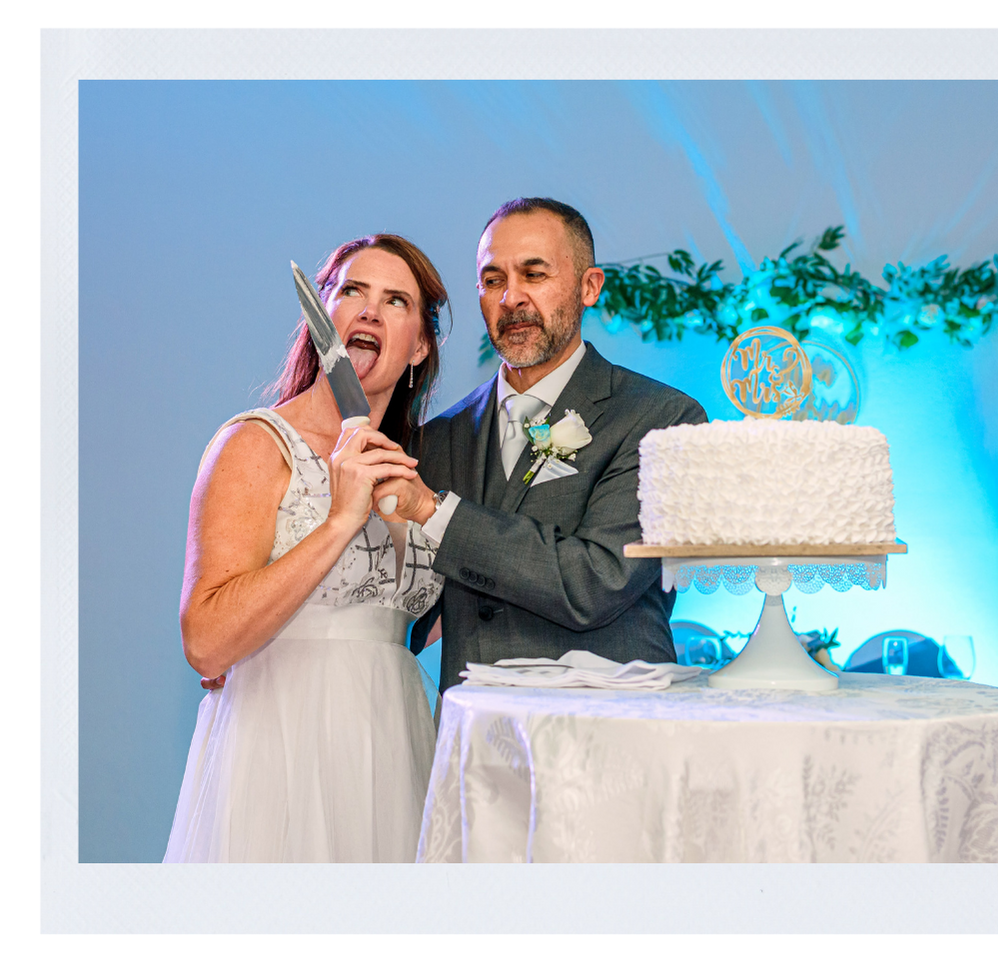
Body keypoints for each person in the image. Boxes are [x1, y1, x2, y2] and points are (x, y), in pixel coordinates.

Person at [163, 234, 447, 862]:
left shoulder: (418, 464)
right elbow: (206, 641)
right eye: (352, 291)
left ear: (420, 345)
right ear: (321, 317)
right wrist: (339, 521)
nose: (369, 310)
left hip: (393, 740)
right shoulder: (256, 444)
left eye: (396, 300)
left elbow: (414, 615)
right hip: (284, 740)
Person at [374, 198, 708, 691]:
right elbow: (410, 612)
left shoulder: (663, 421)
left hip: (607, 718)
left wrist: (434, 512)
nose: (512, 298)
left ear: (589, 287)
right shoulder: (437, 438)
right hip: (475, 726)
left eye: (534, 275)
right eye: (493, 281)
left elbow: (597, 582)